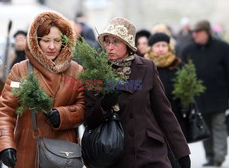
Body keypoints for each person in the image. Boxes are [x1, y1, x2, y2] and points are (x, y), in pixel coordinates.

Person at [84, 17, 191, 168]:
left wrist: (182, 153)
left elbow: (164, 113)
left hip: (149, 152)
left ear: (127, 44)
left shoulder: (147, 67)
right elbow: (89, 120)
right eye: (107, 42)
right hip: (114, 155)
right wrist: (103, 105)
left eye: (116, 42)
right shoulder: (96, 73)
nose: (110, 47)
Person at [0, 11, 85, 168]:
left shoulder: (76, 71)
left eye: (57, 41)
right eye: (46, 40)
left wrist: (64, 115)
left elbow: (84, 106)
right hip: (28, 150)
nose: (51, 46)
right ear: (36, 41)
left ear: (65, 42)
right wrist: (6, 144)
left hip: (64, 154)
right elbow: (5, 110)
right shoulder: (20, 70)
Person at [182, 19, 229, 167]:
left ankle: (219, 155)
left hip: (219, 96)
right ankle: (210, 156)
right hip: (199, 99)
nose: (194, 35)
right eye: (193, 32)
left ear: (206, 32)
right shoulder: (188, 51)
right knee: (205, 128)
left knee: (219, 125)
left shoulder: (223, 48)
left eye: (197, 32)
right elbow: (184, 74)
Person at [145, 32, 187, 168]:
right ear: (151, 48)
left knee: (175, 148)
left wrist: (186, 104)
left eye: (164, 45)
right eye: (158, 46)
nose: (161, 49)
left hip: (174, 114)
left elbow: (186, 88)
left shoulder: (176, 65)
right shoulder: (145, 67)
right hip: (153, 117)